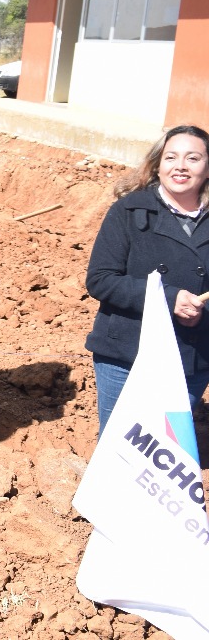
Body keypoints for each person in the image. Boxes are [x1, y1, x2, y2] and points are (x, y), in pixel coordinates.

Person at [85, 125, 209, 434]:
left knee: (165, 450)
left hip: (190, 356)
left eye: (193, 158)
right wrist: (169, 299)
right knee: (120, 448)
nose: (180, 166)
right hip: (126, 355)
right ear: (158, 164)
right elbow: (100, 279)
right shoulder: (128, 211)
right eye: (171, 157)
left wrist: (201, 314)